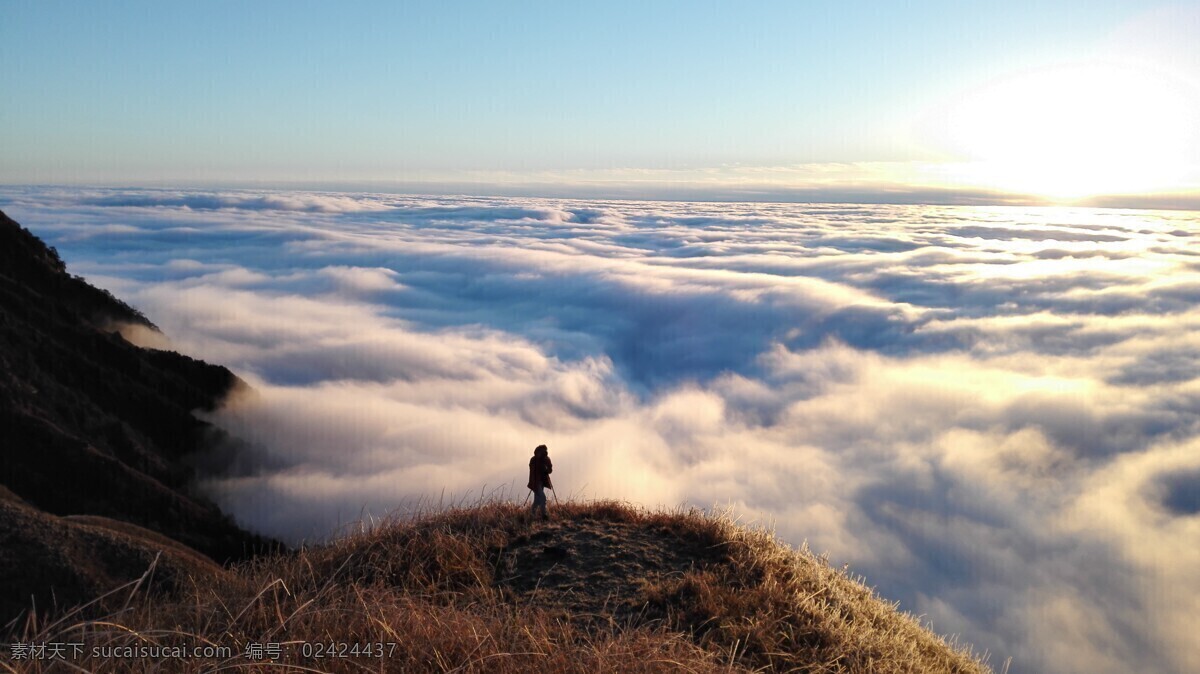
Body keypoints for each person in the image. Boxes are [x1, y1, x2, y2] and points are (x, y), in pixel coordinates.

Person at [527, 444, 553, 519]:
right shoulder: (533, 460)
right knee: (543, 498)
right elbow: (533, 471)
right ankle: (544, 515)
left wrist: (547, 470)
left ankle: (532, 515)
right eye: (541, 451)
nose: (543, 453)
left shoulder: (546, 459)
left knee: (537, 500)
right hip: (535, 481)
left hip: (542, 481)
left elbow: (550, 469)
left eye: (544, 451)